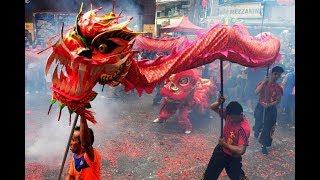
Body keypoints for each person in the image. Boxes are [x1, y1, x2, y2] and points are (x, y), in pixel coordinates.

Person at [203, 96, 250, 180]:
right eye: (230, 117)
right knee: (209, 176)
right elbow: (212, 107)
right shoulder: (229, 115)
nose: (230, 120)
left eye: (233, 118)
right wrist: (219, 103)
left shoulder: (244, 128)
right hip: (220, 151)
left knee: (237, 177)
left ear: (241, 114)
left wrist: (225, 144)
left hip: (233, 157)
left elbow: (241, 150)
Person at [253, 66, 284, 155]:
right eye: (275, 74)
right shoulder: (264, 83)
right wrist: (263, 82)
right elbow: (256, 92)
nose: (277, 76)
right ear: (271, 74)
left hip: (270, 109)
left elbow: (278, 100)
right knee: (258, 123)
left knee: (268, 127)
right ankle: (257, 129)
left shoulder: (279, 88)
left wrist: (269, 105)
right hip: (260, 107)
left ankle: (264, 145)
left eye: (279, 75)